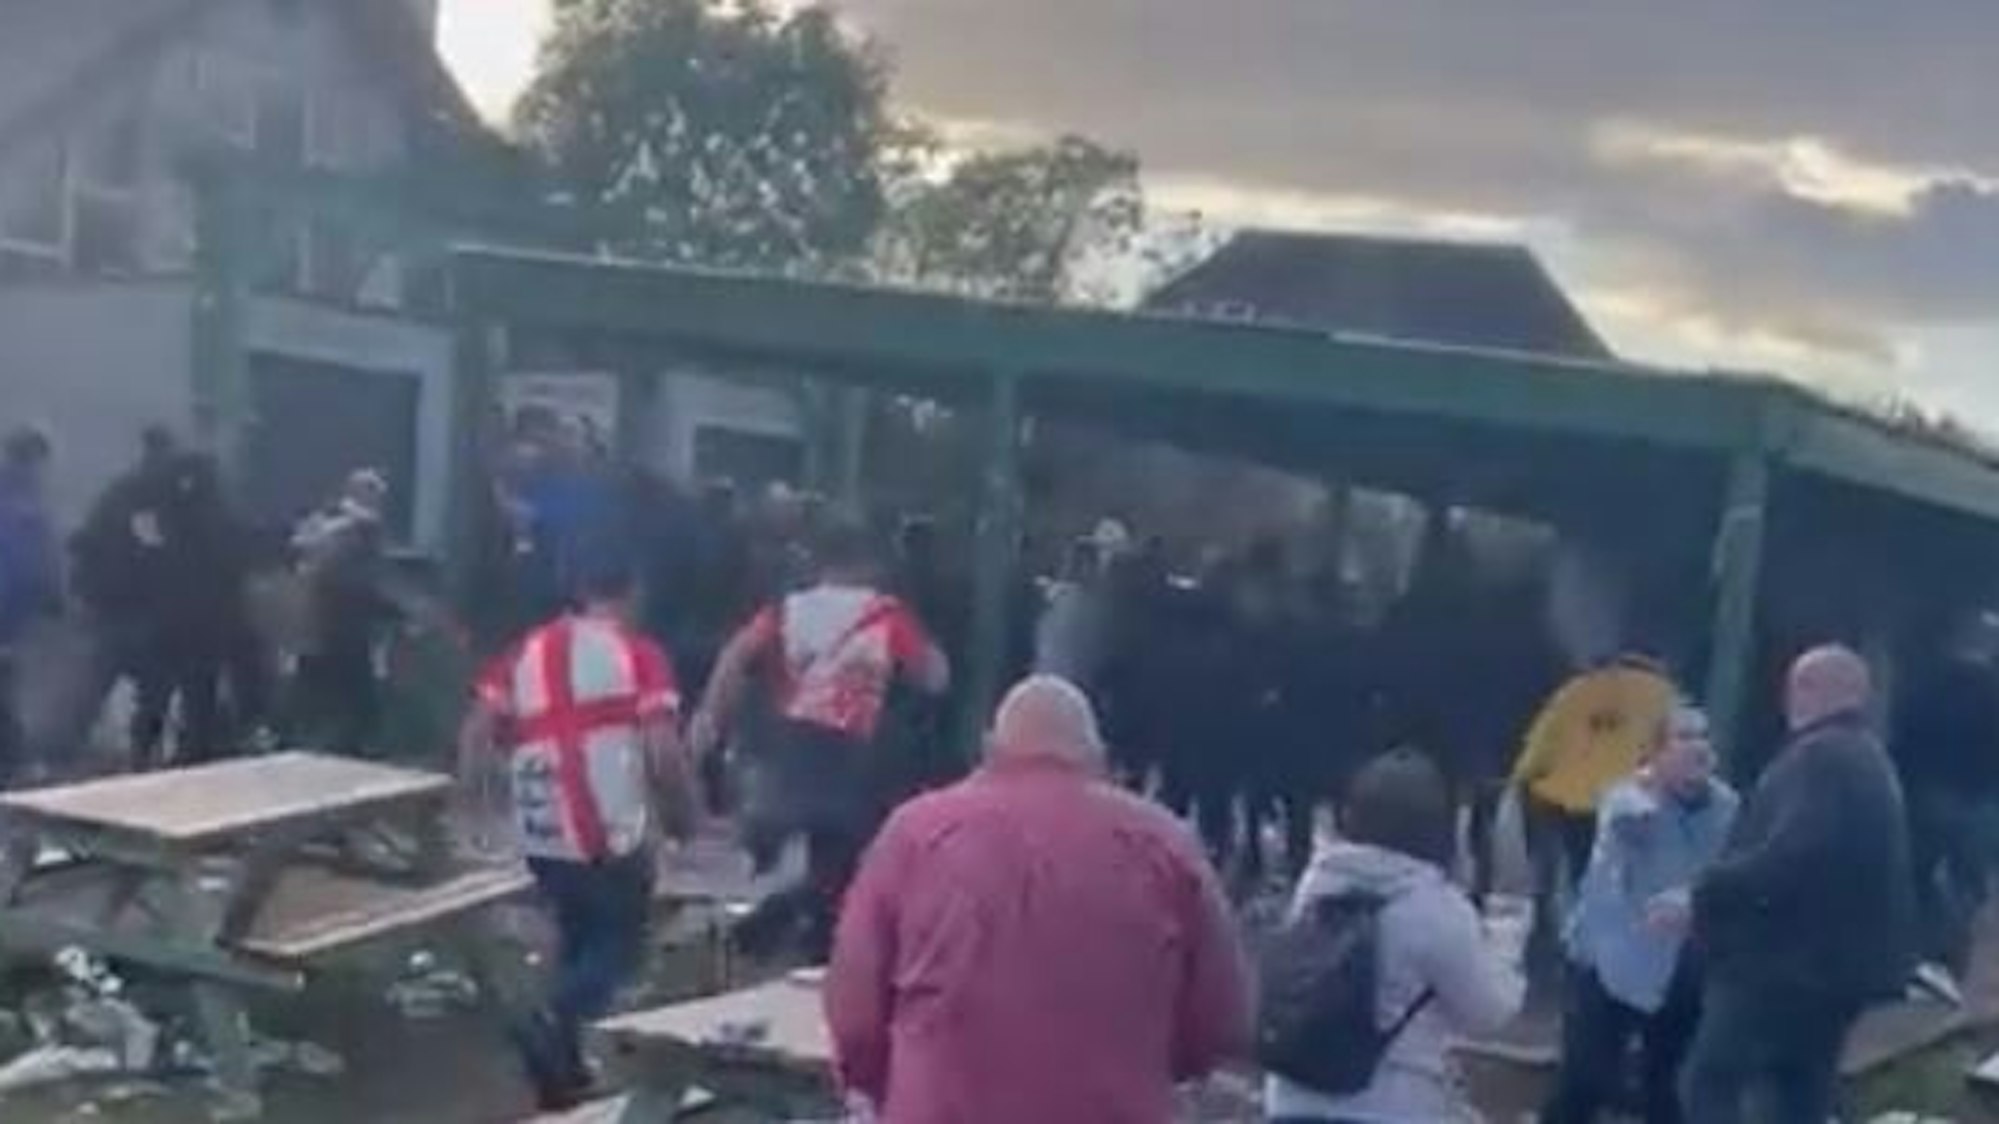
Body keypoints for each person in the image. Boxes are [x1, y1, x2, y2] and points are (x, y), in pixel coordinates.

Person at [825, 676, 1251, 1124]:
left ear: (990, 749)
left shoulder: (914, 834)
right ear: (1097, 758)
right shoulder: (1167, 844)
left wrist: (887, 1087)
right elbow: (1224, 1020)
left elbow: (854, 1020)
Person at [458, 556, 696, 1111]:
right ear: (633, 591)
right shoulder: (639, 653)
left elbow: (476, 733)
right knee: (619, 947)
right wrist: (688, 813)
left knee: (577, 937)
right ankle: (551, 1020)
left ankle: (560, 1070)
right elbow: (662, 749)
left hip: (541, 827)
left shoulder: (524, 650)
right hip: (608, 828)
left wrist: (482, 806)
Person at [693, 519, 949, 961]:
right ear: (869, 562)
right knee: (840, 862)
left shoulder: (788, 609)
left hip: (790, 748)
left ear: (817, 561)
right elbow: (933, 676)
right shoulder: (886, 613)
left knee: (786, 842)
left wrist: (711, 720)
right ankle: (805, 939)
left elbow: (735, 658)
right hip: (853, 754)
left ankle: (764, 929)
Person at [1680, 646, 1915, 1124]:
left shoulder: (1820, 758)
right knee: (1795, 1094)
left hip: (1784, 963)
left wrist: (1708, 890)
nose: (1791, 697)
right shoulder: (1869, 759)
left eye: (1803, 685)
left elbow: (1794, 855)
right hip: (1838, 971)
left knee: (1709, 1082)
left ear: (1833, 692)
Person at [1265, 748, 1524, 1124]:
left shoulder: (1319, 883)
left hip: (1292, 1099)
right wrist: (1506, 934)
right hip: (1390, 1107)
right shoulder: (1436, 909)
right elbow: (1488, 1012)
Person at [1540, 704, 1739, 1124]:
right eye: (1684, 738)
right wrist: (1644, 797)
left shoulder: (1727, 808)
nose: (1698, 747)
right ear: (1656, 754)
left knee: (1668, 1089)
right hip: (1609, 960)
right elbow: (1626, 825)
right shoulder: (1628, 800)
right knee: (1581, 1083)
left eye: (1704, 737)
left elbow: (1731, 872)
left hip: (1680, 968)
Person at [1510, 653, 1675, 982]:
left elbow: (1538, 749)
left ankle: (1545, 963)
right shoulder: (1664, 697)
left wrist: (1521, 784)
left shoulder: (1578, 689)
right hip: (1623, 802)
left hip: (1560, 799)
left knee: (1556, 887)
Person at [1891, 614, 1999, 979]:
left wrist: (1906, 784)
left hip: (1928, 793)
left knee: (1918, 875)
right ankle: (1958, 956)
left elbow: (1904, 735)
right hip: (1977, 799)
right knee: (1970, 881)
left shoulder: (1926, 685)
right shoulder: (1993, 691)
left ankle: (1920, 952)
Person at [291, 469, 393, 756]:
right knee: (357, 689)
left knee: (318, 685)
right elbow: (362, 582)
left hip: (317, 619)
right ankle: (351, 745)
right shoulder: (361, 530)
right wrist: (393, 611)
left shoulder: (326, 522)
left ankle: (303, 737)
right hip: (346, 623)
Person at [0, 426, 59, 787]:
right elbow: (22, 562)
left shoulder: (21, 498)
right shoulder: (19, 501)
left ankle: (14, 760)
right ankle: (14, 762)